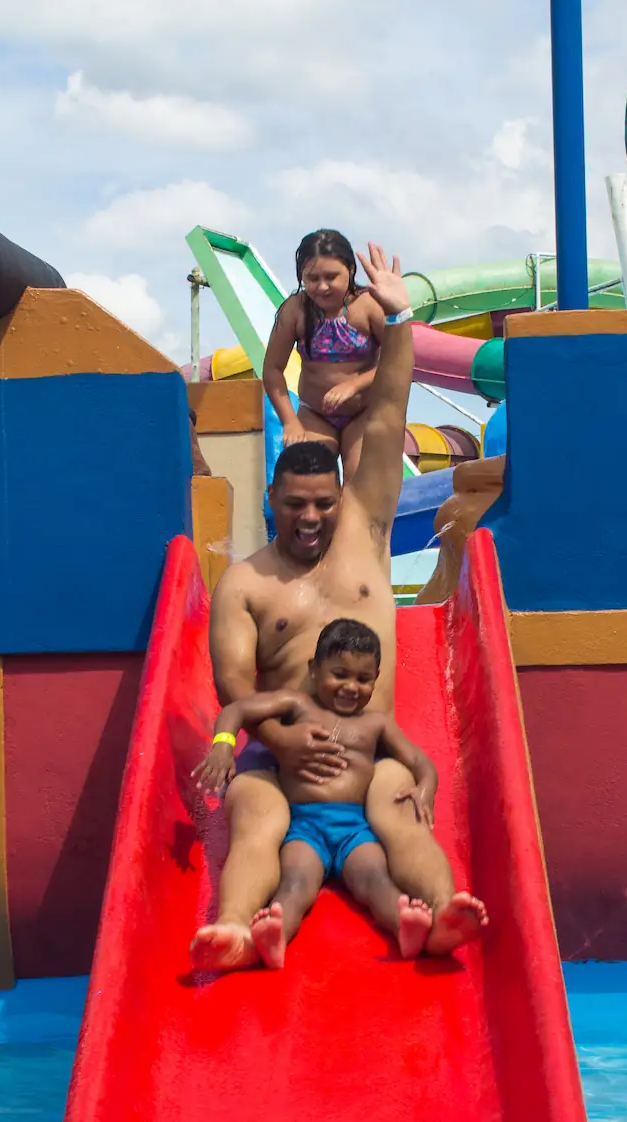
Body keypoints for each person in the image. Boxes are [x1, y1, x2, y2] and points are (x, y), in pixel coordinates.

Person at [194, 241, 480, 972]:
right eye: (296, 504)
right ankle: (233, 930)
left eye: (324, 501)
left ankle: (442, 912)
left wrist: (401, 319)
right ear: (272, 499)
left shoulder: (364, 531)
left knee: (402, 811)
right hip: (280, 760)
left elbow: (386, 416)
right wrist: (282, 743)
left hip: (369, 756)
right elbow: (234, 687)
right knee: (256, 818)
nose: (312, 517)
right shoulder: (245, 585)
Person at [194, 618, 484, 968]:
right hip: (304, 827)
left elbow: (419, 761)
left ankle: (407, 928)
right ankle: (274, 936)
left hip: (355, 829)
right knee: (296, 883)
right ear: (313, 670)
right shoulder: (297, 705)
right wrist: (223, 745)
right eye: (339, 674)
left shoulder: (376, 724)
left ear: (376, 679)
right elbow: (237, 709)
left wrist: (425, 788)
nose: (351, 687)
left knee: (375, 880)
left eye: (363, 679)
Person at [263, 229, 390, 483]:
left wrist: (354, 385)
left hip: (363, 412)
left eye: (331, 277)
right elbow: (272, 369)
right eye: (312, 278)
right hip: (315, 415)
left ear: (350, 271)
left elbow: (400, 362)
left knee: (359, 483)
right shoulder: (296, 310)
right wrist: (290, 421)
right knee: (311, 479)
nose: (322, 286)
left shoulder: (368, 306)